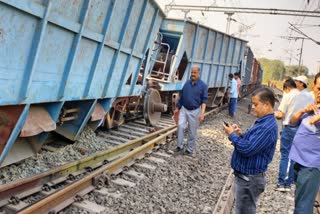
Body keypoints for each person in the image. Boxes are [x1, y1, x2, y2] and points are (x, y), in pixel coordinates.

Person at [223, 88, 278, 214]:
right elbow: (252, 144)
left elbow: (247, 149)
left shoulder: (267, 127)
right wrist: (239, 135)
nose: (253, 107)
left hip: (249, 180)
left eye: (256, 104)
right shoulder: (263, 122)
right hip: (247, 178)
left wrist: (232, 135)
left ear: (267, 104)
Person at [289, 72, 320, 214]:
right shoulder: (312, 105)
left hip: (311, 165)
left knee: (303, 207)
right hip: (298, 160)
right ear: (314, 86)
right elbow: (292, 121)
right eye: (319, 88)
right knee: (300, 200)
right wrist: (303, 111)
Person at [274, 78, 311, 192]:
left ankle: (283, 184)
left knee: (286, 155)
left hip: (290, 127)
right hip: (302, 129)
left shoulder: (289, 95)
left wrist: (273, 113)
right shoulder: (309, 96)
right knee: (294, 156)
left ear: (287, 88)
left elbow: (281, 115)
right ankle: (290, 181)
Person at [174, 66, 208, 156]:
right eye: (192, 72)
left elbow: (204, 101)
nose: (192, 74)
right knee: (180, 126)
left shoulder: (203, 86)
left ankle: (189, 149)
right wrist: (177, 108)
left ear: (199, 74)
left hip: (195, 111)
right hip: (184, 109)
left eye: (195, 73)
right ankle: (179, 147)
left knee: (192, 131)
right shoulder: (187, 83)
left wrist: (202, 113)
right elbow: (182, 97)